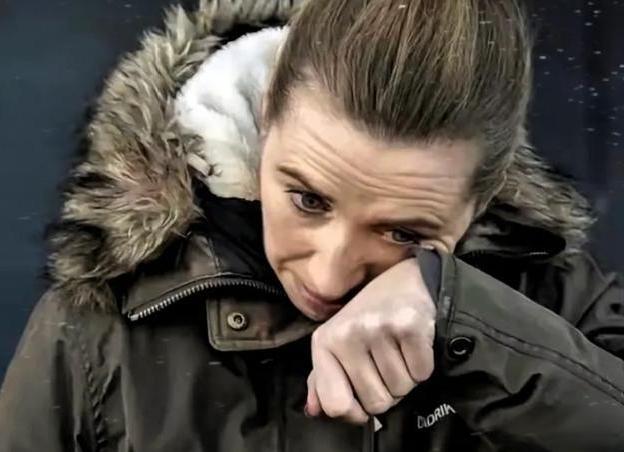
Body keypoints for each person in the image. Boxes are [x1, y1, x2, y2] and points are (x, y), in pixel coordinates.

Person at [1, 0, 623, 450]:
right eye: (307, 200)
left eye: (404, 234)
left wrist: (465, 318)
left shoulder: (556, 306)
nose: (328, 276)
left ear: (480, 199)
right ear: (263, 117)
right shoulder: (98, 327)